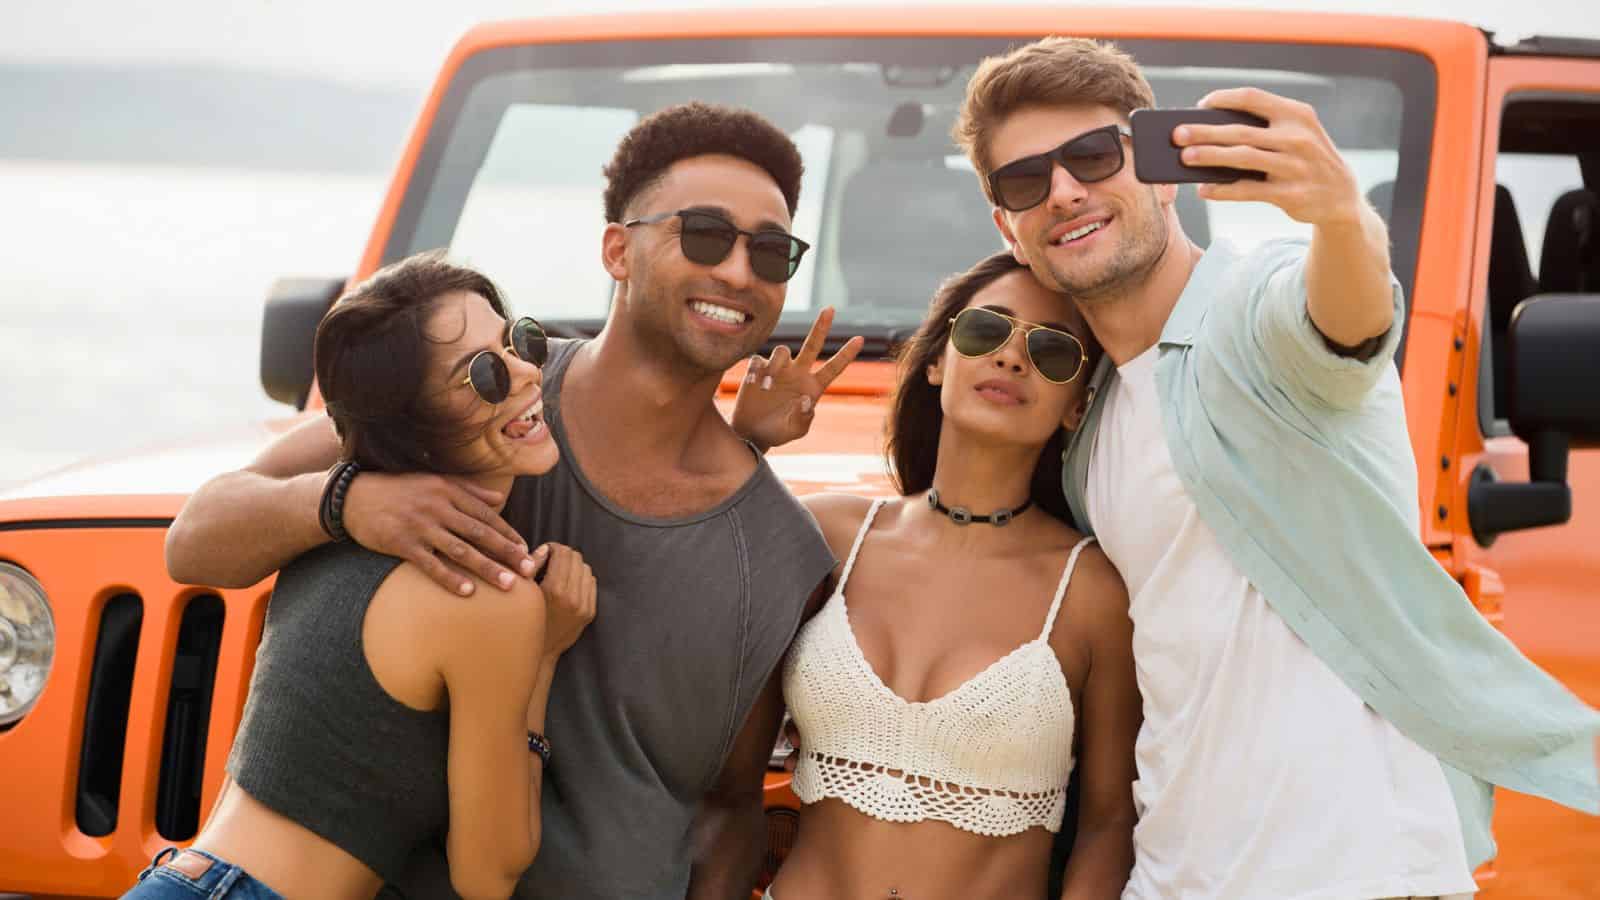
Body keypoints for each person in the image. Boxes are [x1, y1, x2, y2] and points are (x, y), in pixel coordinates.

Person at [949, 35, 1600, 900]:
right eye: (1025, 181)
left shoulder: (1255, 313)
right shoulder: (1083, 423)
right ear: (1008, 227)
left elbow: (1345, 321)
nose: (1063, 190)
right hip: (1172, 877)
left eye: (1093, 156)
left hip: (1352, 875)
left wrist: (1340, 218)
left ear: (1158, 167)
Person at [164, 102, 860, 899]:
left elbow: (729, 810)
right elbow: (196, 539)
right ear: (617, 250)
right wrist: (350, 501)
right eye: (704, 234)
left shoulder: (785, 553)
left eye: (771, 253)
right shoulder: (480, 398)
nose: (739, 272)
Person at [132, 253, 596, 900]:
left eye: (519, 340)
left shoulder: (330, 486)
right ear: (415, 421)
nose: (525, 373)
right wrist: (543, 657)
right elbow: (488, 874)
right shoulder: (487, 595)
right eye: (485, 374)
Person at [736, 252, 1140, 900]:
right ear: (936, 360)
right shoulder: (827, 536)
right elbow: (719, 764)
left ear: (1076, 407)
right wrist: (744, 449)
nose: (1011, 358)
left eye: (1052, 351)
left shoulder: (1092, 592)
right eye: (985, 331)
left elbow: (1109, 825)